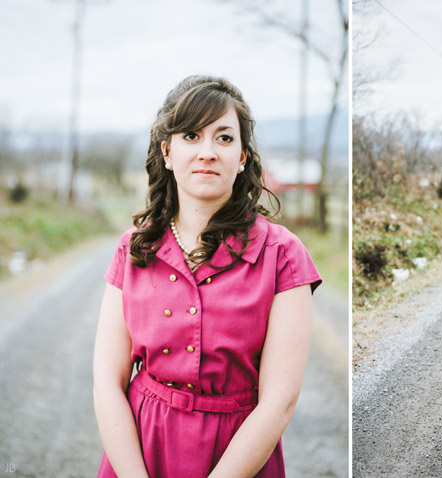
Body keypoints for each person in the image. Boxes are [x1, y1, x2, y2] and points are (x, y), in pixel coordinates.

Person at [93, 75, 322, 477]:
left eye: (224, 138)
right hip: (141, 451)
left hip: (237, 459)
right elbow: (107, 384)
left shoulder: (283, 255)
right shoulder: (132, 249)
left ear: (244, 157)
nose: (208, 152)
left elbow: (279, 402)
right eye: (191, 136)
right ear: (167, 152)